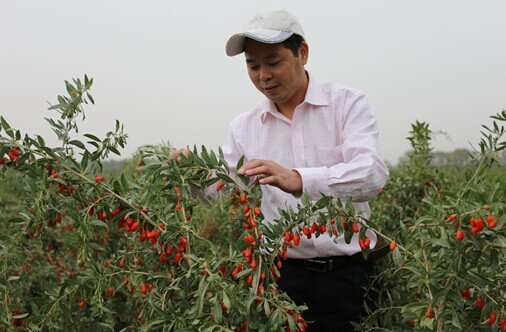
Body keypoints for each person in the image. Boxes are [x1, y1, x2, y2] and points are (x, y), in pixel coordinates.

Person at [172, 7, 389, 331]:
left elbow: (372, 174)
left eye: (273, 62)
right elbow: (225, 191)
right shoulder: (245, 127)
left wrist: (300, 178)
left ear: (302, 53)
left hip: (353, 274)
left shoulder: (347, 104)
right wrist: (191, 174)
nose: (263, 76)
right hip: (283, 277)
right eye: (253, 65)